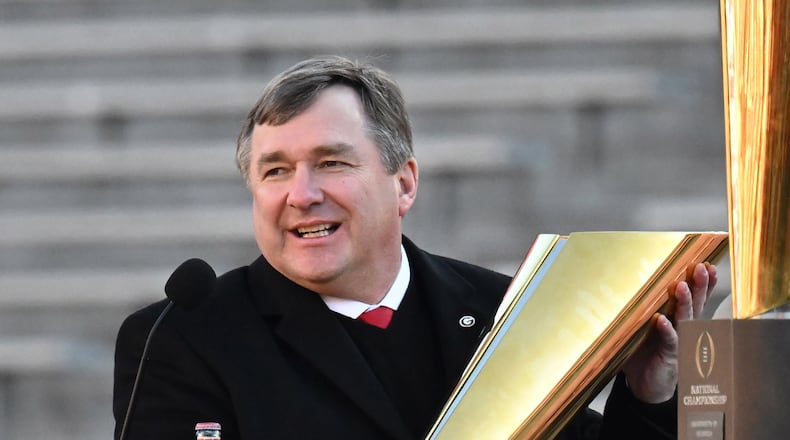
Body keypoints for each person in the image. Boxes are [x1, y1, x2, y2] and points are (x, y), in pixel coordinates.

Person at [113, 55, 718, 439]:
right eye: (274, 171)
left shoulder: (505, 310)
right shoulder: (187, 335)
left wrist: (651, 395)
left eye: (331, 162)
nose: (301, 194)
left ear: (403, 184)